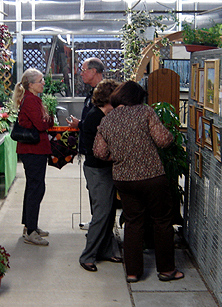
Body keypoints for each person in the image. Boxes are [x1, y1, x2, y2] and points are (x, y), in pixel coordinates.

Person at [93, 81, 184, 283]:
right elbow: (163, 140)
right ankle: (167, 270)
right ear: (137, 97)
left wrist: (118, 157)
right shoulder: (145, 112)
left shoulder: (109, 119)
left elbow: (99, 152)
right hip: (152, 177)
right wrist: (168, 136)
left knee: (133, 222)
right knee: (162, 221)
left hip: (124, 180)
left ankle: (133, 272)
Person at [79, 79, 122, 272]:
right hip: (97, 170)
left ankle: (106, 250)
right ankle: (88, 256)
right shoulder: (95, 117)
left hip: (103, 169)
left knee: (109, 211)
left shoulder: (103, 114)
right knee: (102, 213)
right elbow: (99, 150)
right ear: (110, 97)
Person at [12, 68, 54, 246]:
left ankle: (30, 225)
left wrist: (47, 118)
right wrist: (49, 118)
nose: (43, 82)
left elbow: (45, 121)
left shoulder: (33, 99)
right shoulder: (30, 101)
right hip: (33, 150)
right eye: (40, 80)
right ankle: (30, 230)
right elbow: (42, 124)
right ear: (31, 84)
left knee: (34, 188)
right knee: (36, 189)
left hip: (34, 150)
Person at [66, 57, 104, 228]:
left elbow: (96, 123)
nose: (80, 73)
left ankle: (100, 225)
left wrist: (79, 124)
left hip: (99, 153)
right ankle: (96, 221)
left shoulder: (104, 95)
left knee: (99, 191)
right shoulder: (93, 93)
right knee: (93, 189)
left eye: (84, 70)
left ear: (94, 72)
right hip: (90, 151)